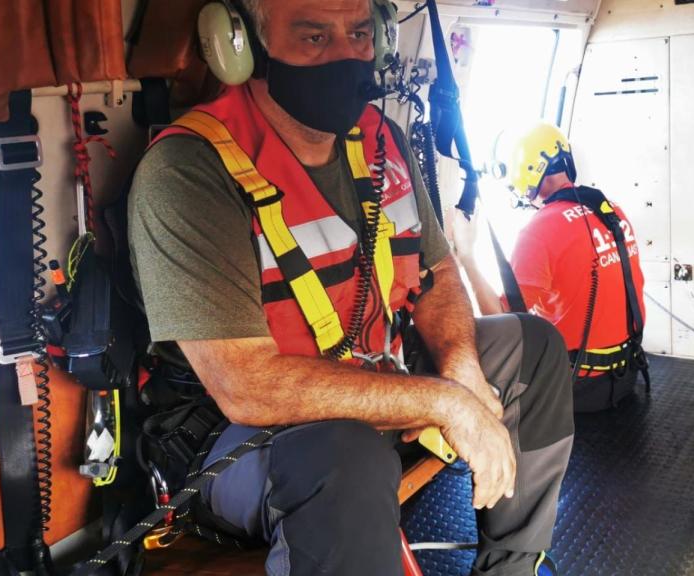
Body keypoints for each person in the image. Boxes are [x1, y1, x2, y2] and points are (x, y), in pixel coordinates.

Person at [127, 1, 573, 574]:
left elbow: (435, 274)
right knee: (345, 454)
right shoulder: (190, 170)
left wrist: (460, 365)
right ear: (243, 47)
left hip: (375, 372)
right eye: (314, 36)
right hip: (241, 437)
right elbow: (246, 388)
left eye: (360, 33)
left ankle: (511, 566)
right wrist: (441, 400)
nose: (345, 56)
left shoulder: (380, 137)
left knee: (531, 347)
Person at [451, 122, 648, 412]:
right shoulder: (611, 209)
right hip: (628, 372)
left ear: (526, 172)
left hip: (576, 386)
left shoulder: (540, 229)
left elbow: (504, 320)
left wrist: (466, 257)